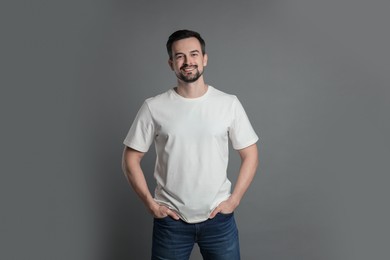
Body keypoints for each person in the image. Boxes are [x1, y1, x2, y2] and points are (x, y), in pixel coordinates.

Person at [122, 29, 259, 260]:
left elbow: (251, 154)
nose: (188, 62)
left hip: (219, 222)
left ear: (204, 59)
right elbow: (130, 158)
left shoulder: (228, 104)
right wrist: (151, 205)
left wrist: (234, 200)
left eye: (194, 54)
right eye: (180, 56)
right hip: (171, 223)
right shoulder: (154, 107)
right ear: (171, 63)